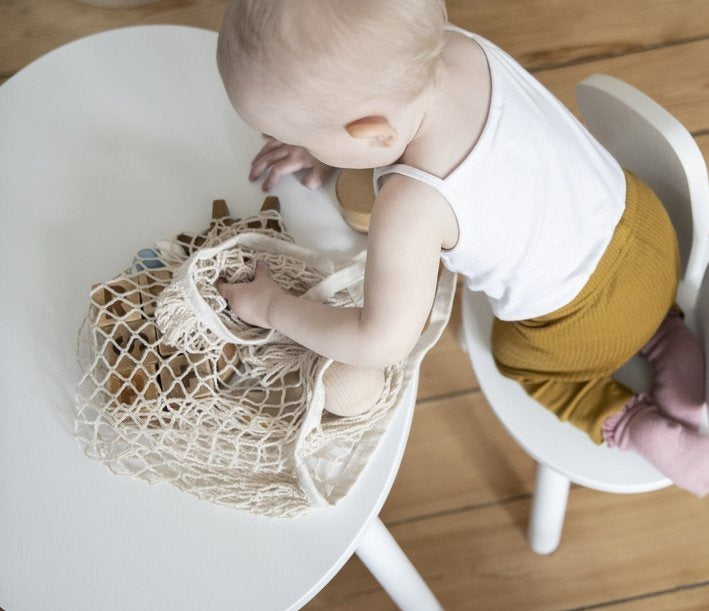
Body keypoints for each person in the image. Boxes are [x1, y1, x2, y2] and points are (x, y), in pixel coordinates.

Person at [215, 0, 708, 495]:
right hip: (647, 230)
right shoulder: (454, 47)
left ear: (369, 132)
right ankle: (666, 334)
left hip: (579, 326)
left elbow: (379, 342)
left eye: (294, 135)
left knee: (513, 355)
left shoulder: (412, 205)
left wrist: (273, 307)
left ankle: (627, 422)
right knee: (634, 298)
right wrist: (322, 139)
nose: (288, 143)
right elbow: (394, 118)